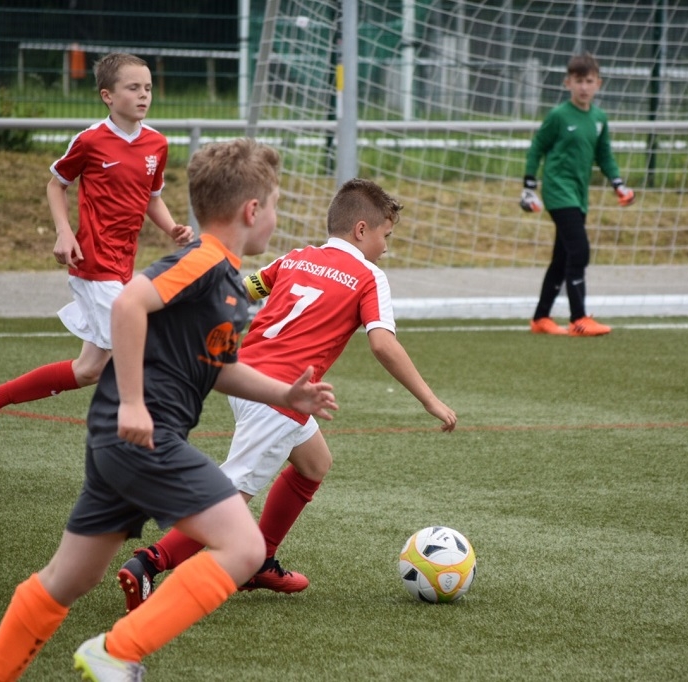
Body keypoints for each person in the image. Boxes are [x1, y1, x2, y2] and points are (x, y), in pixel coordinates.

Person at [0, 138, 338, 682]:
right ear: (253, 211)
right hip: (144, 434)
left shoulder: (227, 281)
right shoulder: (204, 261)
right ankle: (117, 651)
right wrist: (133, 402)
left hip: (119, 439)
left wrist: (284, 396)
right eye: (274, 205)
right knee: (244, 546)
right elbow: (130, 301)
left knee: (69, 578)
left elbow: (216, 366)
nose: (275, 217)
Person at [116, 178, 457, 611]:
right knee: (234, 492)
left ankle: (260, 561)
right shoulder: (370, 276)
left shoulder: (296, 257)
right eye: (385, 236)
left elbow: (242, 290)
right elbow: (382, 344)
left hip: (245, 376)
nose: (386, 248)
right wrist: (429, 400)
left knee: (315, 463)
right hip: (281, 395)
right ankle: (149, 562)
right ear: (361, 230)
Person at [0, 52, 194, 458]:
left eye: (148, 88)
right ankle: (154, 447)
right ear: (107, 95)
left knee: (89, 370)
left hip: (122, 267)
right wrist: (64, 232)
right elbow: (56, 184)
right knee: (142, 347)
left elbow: (152, 198)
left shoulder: (157, 143)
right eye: (133, 88)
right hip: (94, 264)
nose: (143, 95)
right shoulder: (90, 140)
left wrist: (172, 228)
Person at [520, 52, 635, 337]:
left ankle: (541, 318)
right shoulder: (559, 116)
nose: (584, 87)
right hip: (559, 191)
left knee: (562, 258)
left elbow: (604, 155)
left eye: (589, 81)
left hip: (579, 195)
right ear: (567, 83)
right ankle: (579, 318)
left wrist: (618, 184)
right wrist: (529, 186)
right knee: (579, 251)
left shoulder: (599, 118)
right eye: (578, 81)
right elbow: (537, 147)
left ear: (598, 83)